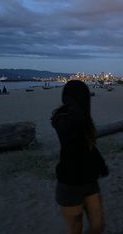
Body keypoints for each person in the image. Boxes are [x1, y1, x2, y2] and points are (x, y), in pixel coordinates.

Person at [51, 80, 109, 234]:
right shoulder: (61, 117)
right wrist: (73, 103)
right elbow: (68, 133)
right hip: (69, 184)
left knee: (98, 226)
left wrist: (101, 164)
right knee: (75, 230)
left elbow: (88, 145)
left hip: (89, 180)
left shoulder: (83, 118)